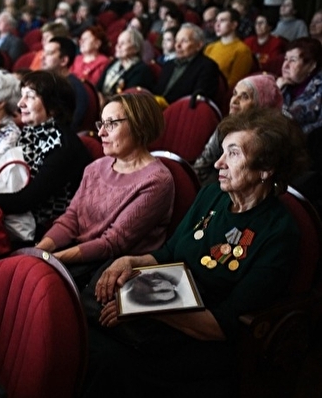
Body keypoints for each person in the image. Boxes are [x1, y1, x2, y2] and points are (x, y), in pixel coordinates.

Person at [82, 107, 309, 397]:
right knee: (88, 332)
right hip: (164, 300)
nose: (218, 163)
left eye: (234, 154)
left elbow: (225, 324)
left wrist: (145, 308)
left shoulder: (279, 233)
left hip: (205, 337)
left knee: (107, 358)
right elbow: (170, 253)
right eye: (222, 151)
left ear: (265, 169)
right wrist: (128, 261)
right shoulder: (211, 195)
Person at [35, 93, 174, 286]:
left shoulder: (157, 180)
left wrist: (51, 259)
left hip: (116, 270)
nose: (101, 133)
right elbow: (71, 219)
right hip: (81, 254)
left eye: (111, 124)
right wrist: (39, 251)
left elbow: (113, 243)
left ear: (139, 126)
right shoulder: (96, 167)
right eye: (101, 124)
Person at [0, 70, 91, 240]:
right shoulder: (31, 132)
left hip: (44, 231)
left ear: (54, 107)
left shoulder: (62, 146)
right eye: (22, 96)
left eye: (30, 96)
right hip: (17, 219)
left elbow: (25, 200)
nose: (20, 103)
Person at [193, 73, 284, 184]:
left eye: (245, 96)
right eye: (235, 94)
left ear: (262, 104)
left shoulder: (271, 139)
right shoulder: (226, 126)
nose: (234, 100)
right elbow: (201, 167)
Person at [154, 23, 221, 105]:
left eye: (184, 41)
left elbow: (197, 101)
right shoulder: (169, 64)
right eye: (177, 41)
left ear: (199, 45)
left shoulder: (208, 66)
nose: (177, 46)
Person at [41, 36, 88, 132]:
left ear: (64, 61)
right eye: (44, 52)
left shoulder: (75, 88)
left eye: (49, 53)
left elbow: (72, 125)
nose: (42, 57)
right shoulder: (48, 83)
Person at [276, 37, 322, 135]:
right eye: (285, 59)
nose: (285, 65)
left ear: (311, 65)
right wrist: (277, 89)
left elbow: (290, 120)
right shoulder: (282, 84)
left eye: (293, 60)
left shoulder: (318, 88)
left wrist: (275, 93)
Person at [96, 29, 155, 104]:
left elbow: (128, 99)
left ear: (135, 48)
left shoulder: (142, 70)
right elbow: (98, 87)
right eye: (118, 42)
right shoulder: (113, 63)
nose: (118, 46)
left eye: (123, 43)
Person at [204, 8, 253, 89]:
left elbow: (235, 83)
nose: (217, 24)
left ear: (234, 25)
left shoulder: (242, 50)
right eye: (216, 21)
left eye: (222, 20)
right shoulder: (210, 47)